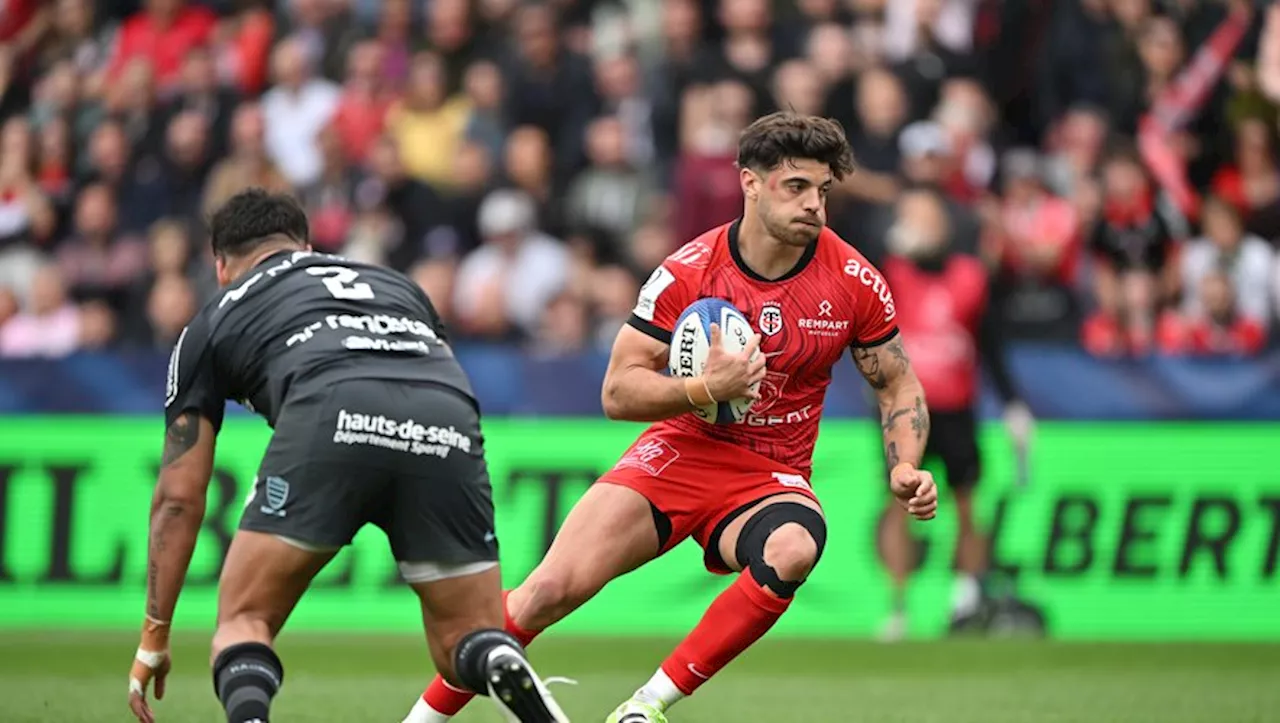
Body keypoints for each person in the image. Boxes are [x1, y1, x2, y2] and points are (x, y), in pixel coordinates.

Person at [405, 112, 938, 723]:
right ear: (750, 183)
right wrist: (705, 387)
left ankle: (646, 708)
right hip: (680, 452)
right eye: (796, 187)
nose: (814, 205)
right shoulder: (689, 270)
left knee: (793, 547)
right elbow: (617, 392)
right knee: (545, 593)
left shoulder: (853, 280)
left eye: (823, 190)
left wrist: (906, 467)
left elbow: (897, 382)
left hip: (768, 474)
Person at [125, 189, 568, 723]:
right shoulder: (397, 284)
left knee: (244, 620)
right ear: (307, 246)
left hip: (331, 411)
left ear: (220, 266)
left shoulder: (212, 320)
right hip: (444, 413)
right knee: (463, 643)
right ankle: (496, 656)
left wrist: (155, 632)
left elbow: (179, 497)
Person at [875, 187, 1034, 640]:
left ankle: (964, 600)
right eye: (907, 215)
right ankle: (898, 607)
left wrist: (1013, 405)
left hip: (958, 409)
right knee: (898, 505)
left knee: (966, 505)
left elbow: (991, 345)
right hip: (904, 413)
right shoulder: (888, 273)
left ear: (942, 223)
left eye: (922, 216)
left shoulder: (971, 277)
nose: (914, 224)